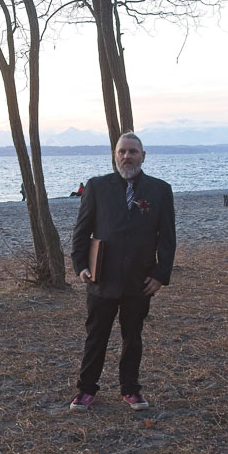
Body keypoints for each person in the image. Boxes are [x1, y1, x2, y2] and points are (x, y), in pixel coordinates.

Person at [69, 132, 175, 411]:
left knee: (133, 336)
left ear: (143, 155)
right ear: (115, 155)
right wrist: (80, 266)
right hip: (100, 276)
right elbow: (81, 232)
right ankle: (86, 390)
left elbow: (167, 237)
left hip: (139, 280)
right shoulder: (97, 187)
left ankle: (131, 389)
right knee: (96, 336)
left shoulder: (159, 190)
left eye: (133, 151)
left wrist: (160, 274)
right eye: (122, 152)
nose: (127, 156)